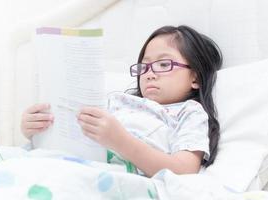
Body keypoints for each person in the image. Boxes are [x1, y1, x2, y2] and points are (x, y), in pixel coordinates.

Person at [21, 25, 222, 177]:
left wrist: (120, 141)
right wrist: (36, 129)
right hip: (72, 162)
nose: (150, 74)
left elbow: (184, 172)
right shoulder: (117, 101)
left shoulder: (190, 113)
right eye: (144, 66)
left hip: (114, 176)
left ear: (195, 77)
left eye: (163, 64)